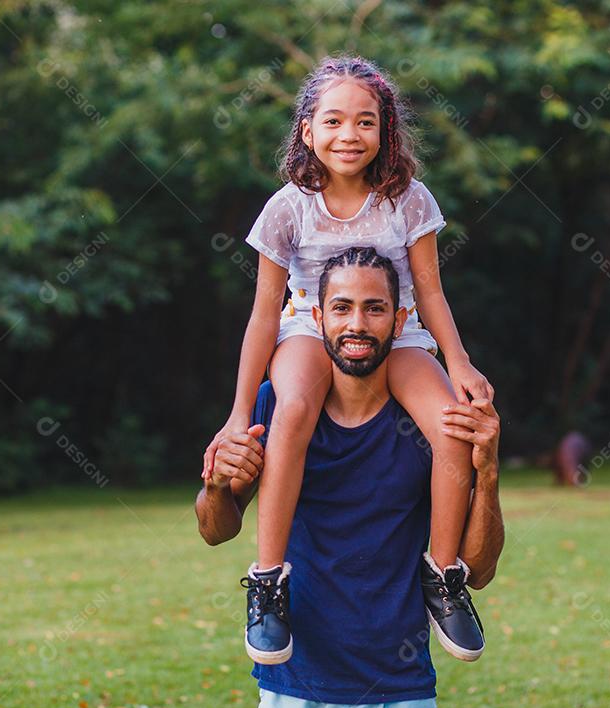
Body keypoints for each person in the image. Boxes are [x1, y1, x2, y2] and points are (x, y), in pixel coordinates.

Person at [200, 54, 493, 666]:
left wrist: (460, 363)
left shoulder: (408, 201)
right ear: (308, 131)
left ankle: (441, 575)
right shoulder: (288, 207)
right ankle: (269, 580)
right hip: (310, 327)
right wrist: (234, 414)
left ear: (384, 130)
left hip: (400, 331)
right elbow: (263, 314)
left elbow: (431, 292)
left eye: (365, 122)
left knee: (450, 427)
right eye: (333, 121)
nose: (349, 135)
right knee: (296, 408)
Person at [195, 249, 505, 708]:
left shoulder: (433, 419)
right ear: (316, 318)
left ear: (401, 322)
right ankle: (268, 584)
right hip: (293, 684)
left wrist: (488, 472)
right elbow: (215, 530)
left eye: (374, 308)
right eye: (341, 308)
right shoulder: (275, 405)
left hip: (401, 687)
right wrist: (217, 485)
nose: (356, 324)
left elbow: (477, 572)